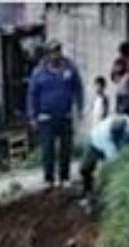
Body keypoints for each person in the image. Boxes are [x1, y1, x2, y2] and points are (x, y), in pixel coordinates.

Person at [27, 40, 83, 188]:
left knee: (66, 148)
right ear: (47, 54)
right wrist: (33, 116)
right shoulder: (38, 72)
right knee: (48, 149)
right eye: (52, 52)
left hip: (65, 115)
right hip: (46, 116)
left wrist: (79, 108)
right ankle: (49, 179)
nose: (55, 55)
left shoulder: (70, 68)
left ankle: (65, 177)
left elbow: (78, 89)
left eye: (58, 51)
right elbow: (32, 95)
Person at [79, 113, 129, 205]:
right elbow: (113, 159)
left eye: (118, 134)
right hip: (95, 145)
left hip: (119, 145)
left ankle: (114, 194)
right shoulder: (104, 133)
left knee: (120, 169)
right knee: (85, 169)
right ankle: (88, 192)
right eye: (114, 135)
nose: (116, 137)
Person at [111, 42, 129, 116]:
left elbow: (113, 76)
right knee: (127, 111)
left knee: (121, 111)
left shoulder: (118, 61)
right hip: (127, 89)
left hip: (121, 90)